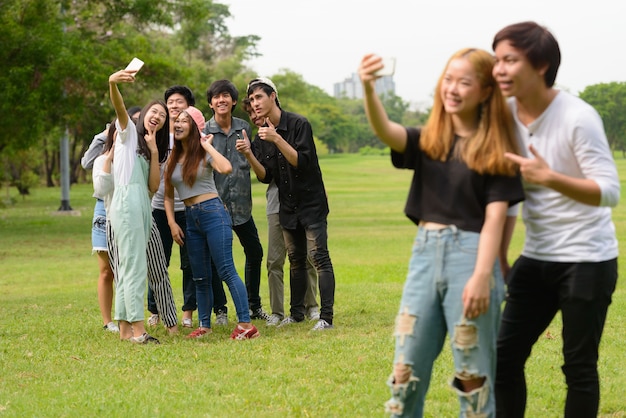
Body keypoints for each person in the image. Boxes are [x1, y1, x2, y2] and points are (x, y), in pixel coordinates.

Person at [359, 49, 524, 417]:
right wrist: (369, 89)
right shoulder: (428, 140)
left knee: (472, 376)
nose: (453, 88)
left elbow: (496, 219)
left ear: (484, 91)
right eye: (448, 79)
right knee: (404, 372)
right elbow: (387, 131)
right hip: (424, 257)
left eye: (464, 82)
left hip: (472, 257)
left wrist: (483, 276)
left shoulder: (498, 149)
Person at [492, 22, 620, 418]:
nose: (499, 69)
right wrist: (499, 258)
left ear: (542, 64)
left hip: (588, 259)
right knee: (503, 358)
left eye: (510, 60)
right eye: (496, 59)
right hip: (538, 256)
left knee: (578, 366)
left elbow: (610, 191)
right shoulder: (505, 115)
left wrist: (549, 178)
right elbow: (509, 195)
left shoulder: (578, 116)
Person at [240, 77, 336, 331]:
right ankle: (296, 314)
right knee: (295, 259)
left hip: (311, 203)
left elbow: (302, 162)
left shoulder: (298, 124)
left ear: (273, 97)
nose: (255, 103)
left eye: (259, 97)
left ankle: (326, 317)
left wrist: (276, 138)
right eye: (251, 100)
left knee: (319, 258)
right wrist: (250, 153)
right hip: (287, 205)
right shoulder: (262, 135)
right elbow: (266, 177)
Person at [164, 106, 260, 340]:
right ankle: (204, 325)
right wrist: (171, 223)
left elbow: (226, 167)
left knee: (226, 269)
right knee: (200, 275)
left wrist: (206, 144)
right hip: (190, 218)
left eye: (184, 121)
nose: (178, 123)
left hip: (213, 213)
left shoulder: (204, 153)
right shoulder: (174, 157)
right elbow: (168, 194)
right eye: (176, 120)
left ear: (195, 127)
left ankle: (247, 326)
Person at [108, 66, 170, 344]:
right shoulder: (128, 133)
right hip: (127, 202)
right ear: (144, 114)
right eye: (154, 112)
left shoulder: (148, 145)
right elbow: (120, 107)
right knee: (134, 267)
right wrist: (113, 83)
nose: (157, 117)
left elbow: (154, 187)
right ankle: (139, 330)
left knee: (128, 266)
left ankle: (124, 331)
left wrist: (155, 150)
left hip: (142, 204)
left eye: (163, 115)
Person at [202, 80, 269, 323]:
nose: (221, 100)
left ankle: (254, 305)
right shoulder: (204, 132)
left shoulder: (243, 128)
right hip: (215, 207)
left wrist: (248, 151)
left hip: (242, 206)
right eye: (216, 97)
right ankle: (220, 309)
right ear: (210, 103)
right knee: (216, 259)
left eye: (226, 96)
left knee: (255, 252)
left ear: (232, 101)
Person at [81, 107, 141, 333]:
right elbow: (86, 163)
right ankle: (109, 322)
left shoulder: (138, 150)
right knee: (107, 270)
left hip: (131, 208)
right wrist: (107, 134)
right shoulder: (104, 152)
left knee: (128, 267)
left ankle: (129, 316)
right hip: (104, 210)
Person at [147, 85, 196, 329]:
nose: (174, 106)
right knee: (158, 260)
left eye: (179, 102)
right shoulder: (157, 136)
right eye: (171, 102)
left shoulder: (195, 137)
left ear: (189, 106)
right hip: (159, 208)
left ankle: (187, 313)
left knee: (189, 262)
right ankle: (155, 309)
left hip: (188, 208)